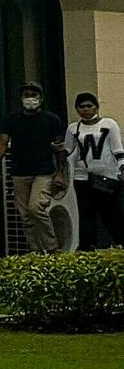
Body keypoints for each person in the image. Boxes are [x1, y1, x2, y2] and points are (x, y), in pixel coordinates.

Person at [0, 81, 68, 255]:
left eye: (33, 95)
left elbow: (59, 148)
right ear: (21, 98)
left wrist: (60, 173)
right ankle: (35, 250)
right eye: (26, 95)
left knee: (36, 208)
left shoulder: (51, 120)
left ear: (41, 98)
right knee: (25, 215)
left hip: (43, 172)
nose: (30, 99)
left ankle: (52, 248)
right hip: (19, 172)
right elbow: (3, 143)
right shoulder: (11, 120)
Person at [67, 90, 123, 251]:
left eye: (89, 106)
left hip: (107, 176)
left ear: (96, 107)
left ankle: (119, 244)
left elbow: (117, 148)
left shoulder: (109, 124)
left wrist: (122, 167)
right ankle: (87, 249)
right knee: (86, 214)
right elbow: (67, 149)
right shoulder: (73, 128)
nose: (86, 110)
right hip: (82, 176)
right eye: (81, 107)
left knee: (112, 214)